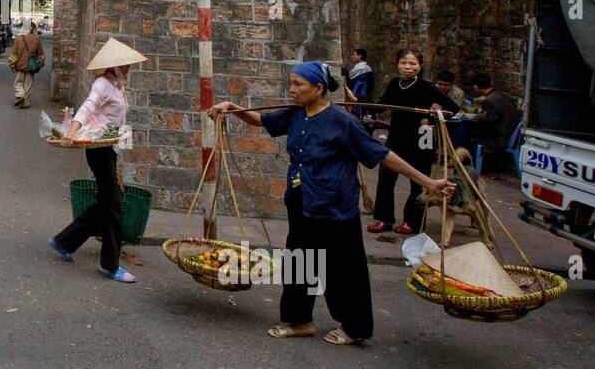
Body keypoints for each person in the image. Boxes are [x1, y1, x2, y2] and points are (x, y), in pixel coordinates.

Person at [210, 62, 455, 344]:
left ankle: (355, 328)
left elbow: (381, 154)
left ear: (318, 88)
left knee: (343, 269)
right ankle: (299, 320)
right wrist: (232, 107)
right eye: (291, 83)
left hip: (335, 205)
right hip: (301, 201)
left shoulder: (342, 121)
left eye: (298, 84)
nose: (292, 89)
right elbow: (261, 121)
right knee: (299, 262)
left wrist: (428, 182)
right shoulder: (295, 114)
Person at [47, 38, 147, 282]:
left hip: (109, 148)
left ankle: (64, 241)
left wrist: (120, 150)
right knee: (114, 205)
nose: (129, 67)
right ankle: (109, 265)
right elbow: (88, 107)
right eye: (126, 64)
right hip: (97, 149)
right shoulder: (102, 84)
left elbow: (118, 123)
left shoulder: (118, 85)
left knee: (106, 201)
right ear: (115, 65)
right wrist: (72, 131)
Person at [367, 48, 458, 234]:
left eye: (412, 63)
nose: (407, 67)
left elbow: (452, 108)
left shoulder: (427, 87)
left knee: (418, 183)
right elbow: (382, 106)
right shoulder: (394, 83)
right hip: (396, 138)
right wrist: (357, 100)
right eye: (403, 63)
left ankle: (413, 221)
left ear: (420, 66)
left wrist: (431, 118)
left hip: (421, 140)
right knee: (385, 179)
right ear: (398, 64)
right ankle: (384, 219)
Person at [471, 73, 520, 171]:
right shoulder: (502, 95)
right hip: (510, 133)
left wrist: (477, 117)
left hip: (499, 138)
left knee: (465, 130)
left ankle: (464, 163)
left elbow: (488, 121)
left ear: (476, 86)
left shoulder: (490, 100)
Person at [9, 20, 45, 108]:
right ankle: (25, 102)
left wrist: (12, 65)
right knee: (28, 84)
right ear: (33, 29)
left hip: (20, 66)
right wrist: (39, 65)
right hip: (31, 66)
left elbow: (13, 55)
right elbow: (41, 55)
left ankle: (21, 96)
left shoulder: (19, 38)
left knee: (18, 83)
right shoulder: (37, 39)